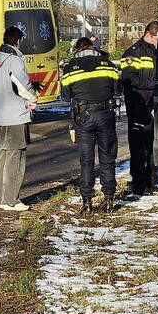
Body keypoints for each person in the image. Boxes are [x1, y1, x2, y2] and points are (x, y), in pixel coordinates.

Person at [60, 37, 120, 215]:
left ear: (77, 49)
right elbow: (118, 90)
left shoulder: (70, 67)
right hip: (106, 115)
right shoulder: (108, 65)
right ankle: (109, 199)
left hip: (83, 117)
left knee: (86, 161)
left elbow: (64, 96)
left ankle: (87, 202)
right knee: (107, 158)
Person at [0, 26, 38, 211]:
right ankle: (12, 200)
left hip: (1, 116)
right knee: (16, 158)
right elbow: (23, 85)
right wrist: (33, 98)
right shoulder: (15, 61)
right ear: (18, 41)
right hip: (15, 116)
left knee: (3, 156)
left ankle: (2, 198)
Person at [120, 21, 158, 198]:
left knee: (152, 142)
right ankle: (138, 181)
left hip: (156, 103)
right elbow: (130, 79)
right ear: (150, 34)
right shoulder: (133, 52)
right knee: (139, 145)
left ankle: (151, 176)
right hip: (139, 104)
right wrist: (155, 84)